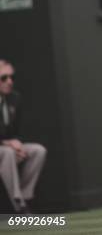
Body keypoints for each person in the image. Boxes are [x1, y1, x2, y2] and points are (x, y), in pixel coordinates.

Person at [0, 60, 47, 213]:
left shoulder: (15, 98)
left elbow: (17, 131)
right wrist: (7, 143)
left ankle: (25, 197)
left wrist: (18, 145)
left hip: (7, 145)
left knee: (38, 151)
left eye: (11, 77)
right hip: (3, 148)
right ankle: (18, 204)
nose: (9, 81)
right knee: (7, 153)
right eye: (3, 78)